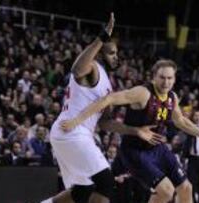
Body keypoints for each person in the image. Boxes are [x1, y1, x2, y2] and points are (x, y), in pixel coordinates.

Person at [61, 59, 199, 203]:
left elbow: (182, 122)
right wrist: (76, 120)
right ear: (154, 77)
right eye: (162, 77)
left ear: (174, 79)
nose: (166, 82)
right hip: (134, 151)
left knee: (186, 188)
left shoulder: (172, 97)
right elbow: (108, 99)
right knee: (166, 191)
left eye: (170, 78)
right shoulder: (142, 93)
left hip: (157, 148)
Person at [42, 13, 162, 203]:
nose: (116, 57)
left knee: (82, 190)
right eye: (111, 52)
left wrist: (135, 130)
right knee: (106, 183)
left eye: (116, 53)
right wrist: (101, 38)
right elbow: (77, 69)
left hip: (70, 133)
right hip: (72, 131)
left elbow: (105, 123)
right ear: (99, 53)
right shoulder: (93, 68)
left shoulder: (107, 81)